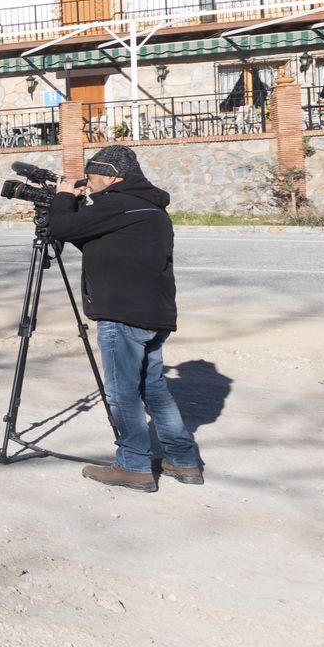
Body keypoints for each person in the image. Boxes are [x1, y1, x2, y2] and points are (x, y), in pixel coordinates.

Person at [46, 145, 203, 492]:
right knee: (154, 389)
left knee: (122, 392)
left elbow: (60, 226)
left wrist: (62, 197)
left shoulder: (118, 203)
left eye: (91, 176)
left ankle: (133, 466)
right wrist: (72, 208)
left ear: (112, 176)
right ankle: (182, 460)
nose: (87, 183)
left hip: (123, 315)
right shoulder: (147, 206)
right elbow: (95, 240)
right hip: (153, 314)